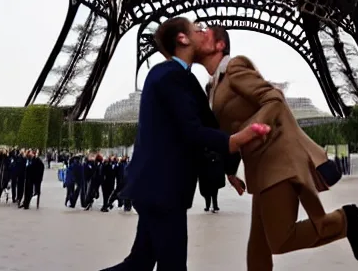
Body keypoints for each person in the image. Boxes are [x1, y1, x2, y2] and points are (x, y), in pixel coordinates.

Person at [99, 17, 269, 271]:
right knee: (171, 266)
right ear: (183, 39)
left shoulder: (182, 78)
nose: (203, 32)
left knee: (140, 262)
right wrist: (234, 142)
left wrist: (230, 168)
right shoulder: (168, 76)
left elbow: (207, 125)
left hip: (157, 186)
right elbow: (192, 130)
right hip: (161, 188)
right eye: (198, 30)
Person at [198, 25, 358, 270]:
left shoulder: (234, 68)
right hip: (261, 166)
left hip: (277, 160)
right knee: (258, 245)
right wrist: (230, 170)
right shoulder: (213, 86)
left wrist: (252, 130)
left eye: (204, 32)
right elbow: (229, 130)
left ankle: (343, 221)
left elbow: (274, 98)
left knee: (279, 240)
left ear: (219, 44)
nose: (198, 33)